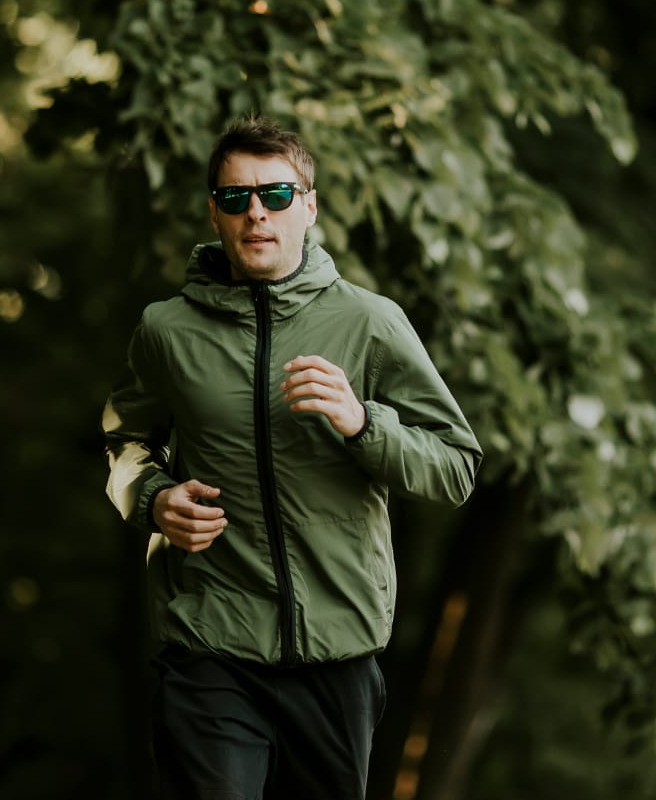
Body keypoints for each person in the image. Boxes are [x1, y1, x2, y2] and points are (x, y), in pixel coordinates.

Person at [102, 115, 482, 800]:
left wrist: (363, 422)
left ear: (308, 205)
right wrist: (154, 498)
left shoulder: (370, 322)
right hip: (209, 645)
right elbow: (126, 444)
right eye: (235, 198)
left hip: (338, 657)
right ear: (213, 214)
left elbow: (455, 467)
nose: (256, 213)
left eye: (275, 195)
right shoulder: (166, 331)